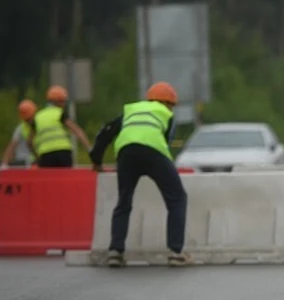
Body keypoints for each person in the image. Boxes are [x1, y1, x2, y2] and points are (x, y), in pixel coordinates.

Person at [88, 82, 190, 267]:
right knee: (177, 198)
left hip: (126, 153)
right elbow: (166, 141)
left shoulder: (131, 110)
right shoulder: (166, 114)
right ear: (169, 103)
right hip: (153, 152)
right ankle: (176, 252)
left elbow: (106, 132)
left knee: (124, 202)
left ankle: (115, 251)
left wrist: (97, 160)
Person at [28, 85, 92, 168]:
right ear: (57, 102)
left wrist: (36, 156)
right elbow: (77, 131)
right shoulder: (60, 113)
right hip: (63, 152)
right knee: (66, 179)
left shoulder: (37, 117)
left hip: (45, 155)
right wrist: (89, 149)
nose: (64, 104)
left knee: (48, 180)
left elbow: (29, 142)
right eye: (63, 101)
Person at [0, 99, 37, 169]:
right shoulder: (21, 128)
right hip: (23, 163)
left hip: (35, 162)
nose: (29, 121)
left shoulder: (39, 125)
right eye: (27, 119)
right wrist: (4, 163)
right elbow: (12, 146)